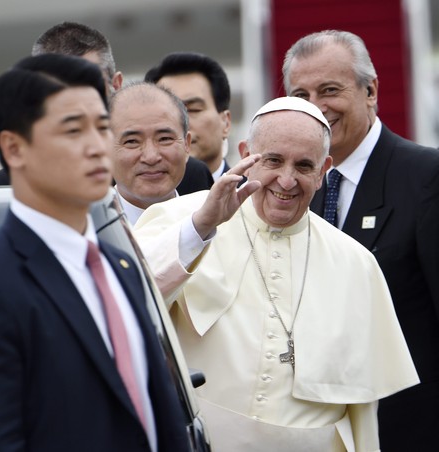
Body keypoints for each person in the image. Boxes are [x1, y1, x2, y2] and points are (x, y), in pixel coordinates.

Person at [132, 96, 419, 451]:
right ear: (245, 155)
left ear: (324, 168)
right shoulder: (184, 221)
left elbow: (361, 411)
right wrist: (200, 230)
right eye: (273, 161)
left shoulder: (356, 263)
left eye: (303, 165)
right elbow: (127, 304)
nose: (286, 180)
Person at [282, 30, 439, 451]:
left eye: (330, 90)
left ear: (371, 91)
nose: (316, 107)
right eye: (301, 94)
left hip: (416, 432)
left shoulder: (432, 180)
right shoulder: (292, 194)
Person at [0, 54, 191, 451]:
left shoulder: (120, 265)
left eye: (102, 127)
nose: (95, 146)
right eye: (73, 130)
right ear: (14, 148)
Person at [0, 21, 213, 193]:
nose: (76, 105)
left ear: (116, 84)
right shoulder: (4, 188)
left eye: (88, 88)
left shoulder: (183, 175)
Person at [109, 82, 192, 225]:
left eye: (164, 139)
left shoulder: (218, 226)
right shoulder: (85, 232)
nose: (151, 157)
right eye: (132, 141)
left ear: (187, 145)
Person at [145, 52, 231, 182]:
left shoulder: (252, 198)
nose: (181, 123)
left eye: (193, 109)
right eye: (167, 112)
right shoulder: (126, 199)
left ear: (225, 123)